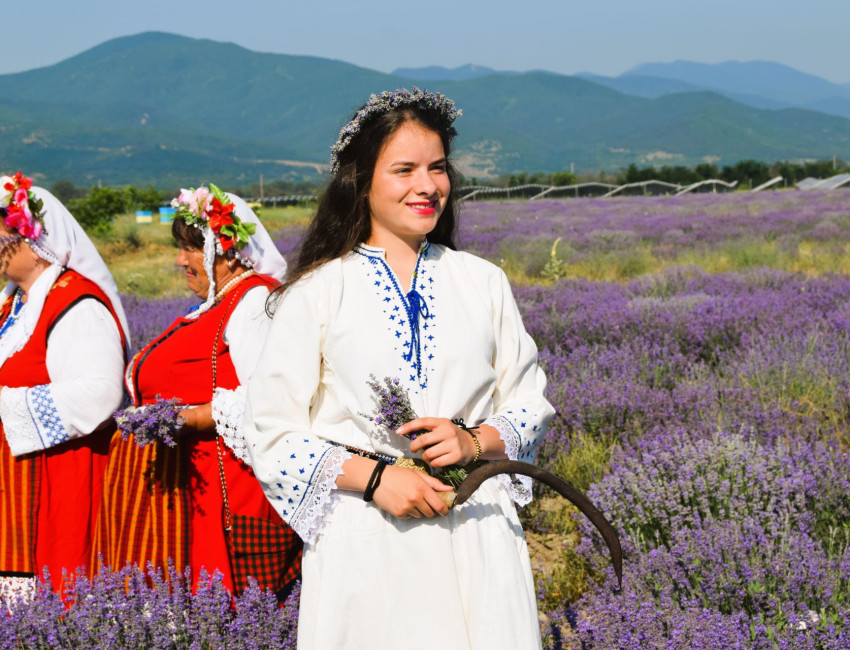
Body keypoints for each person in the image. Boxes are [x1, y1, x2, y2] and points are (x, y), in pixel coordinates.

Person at [244, 88, 555, 648]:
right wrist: (379, 480)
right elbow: (270, 431)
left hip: (477, 525)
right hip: (370, 537)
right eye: (404, 169)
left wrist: (475, 439)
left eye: (437, 168)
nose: (427, 185)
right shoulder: (318, 292)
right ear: (361, 181)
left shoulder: (483, 281)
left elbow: (530, 400)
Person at [93, 185, 301, 599]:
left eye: (192, 248)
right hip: (190, 489)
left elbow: (271, 398)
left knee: (229, 604)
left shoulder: (254, 301)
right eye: (181, 248)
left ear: (226, 250)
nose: (180, 259)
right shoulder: (213, 303)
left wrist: (186, 419)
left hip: (228, 492)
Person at [0, 173, 128, 599]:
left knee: (57, 597)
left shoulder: (78, 303)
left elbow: (100, 393)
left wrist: (6, 407)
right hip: (17, 482)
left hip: (57, 482)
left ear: (31, 239)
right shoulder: (13, 302)